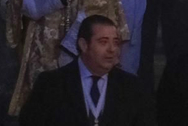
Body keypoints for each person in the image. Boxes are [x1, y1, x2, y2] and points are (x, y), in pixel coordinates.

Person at [19, 14, 154, 126]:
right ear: (83, 45)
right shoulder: (51, 84)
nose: (112, 49)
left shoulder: (132, 88)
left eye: (116, 42)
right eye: (103, 42)